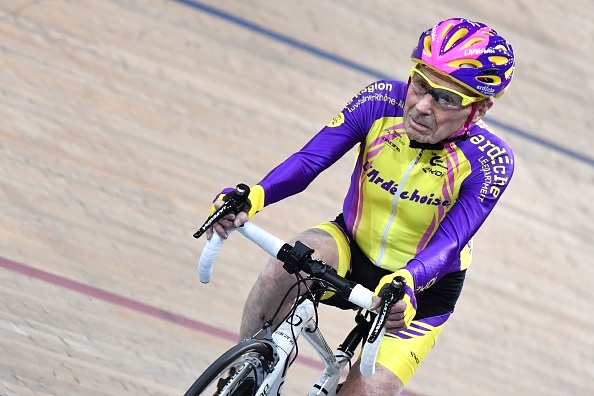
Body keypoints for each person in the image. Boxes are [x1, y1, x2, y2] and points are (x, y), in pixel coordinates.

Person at [206, 18, 515, 395]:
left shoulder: (490, 161)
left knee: (367, 392)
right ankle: (245, 376)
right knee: (280, 271)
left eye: (446, 98)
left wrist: (409, 280)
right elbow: (308, 162)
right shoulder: (379, 101)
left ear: (479, 109)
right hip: (349, 247)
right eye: (419, 83)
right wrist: (253, 196)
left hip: (419, 289)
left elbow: (450, 242)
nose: (420, 106)